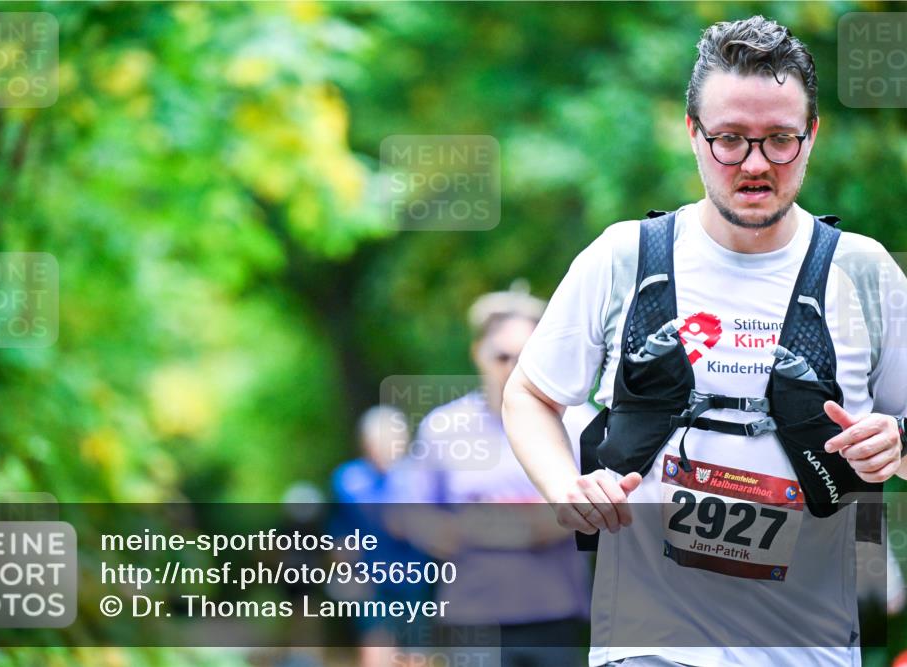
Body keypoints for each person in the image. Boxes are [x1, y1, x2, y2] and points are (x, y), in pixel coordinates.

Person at [502, 16, 907, 667]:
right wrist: (566, 488)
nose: (754, 164)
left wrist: (897, 443)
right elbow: (528, 394)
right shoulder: (624, 257)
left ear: (813, 136)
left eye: (780, 140)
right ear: (693, 133)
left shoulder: (864, 271)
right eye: (729, 140)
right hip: (650, 642)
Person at [393, 284, 592, 667]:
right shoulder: (443, 428)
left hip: (555, 616)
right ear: (478, 354)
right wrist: (534, 523)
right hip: (470, 617)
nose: (512, 368)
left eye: (524, 356)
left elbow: (602, 512)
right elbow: (412, 514)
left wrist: (486, 523)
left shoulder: (580, 423)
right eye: (502, 356)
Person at [330, 405, 429, 667]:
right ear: (366, 443)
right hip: (370, 580)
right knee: (376, 646)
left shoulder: (416, 478)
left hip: (414, 578)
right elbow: (340, 534)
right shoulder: (348, 480)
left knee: (415, 651)